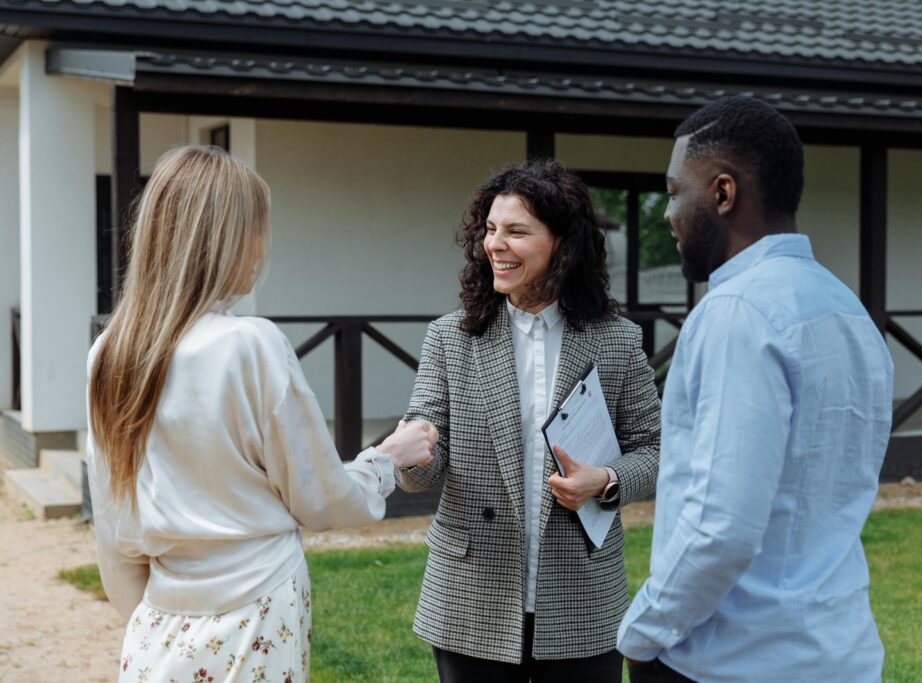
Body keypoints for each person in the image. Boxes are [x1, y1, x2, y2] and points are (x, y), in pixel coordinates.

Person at [86, 145, 436, 683]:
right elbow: (317, 499)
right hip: (257, 611)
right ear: (223, 240)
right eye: (255, 230)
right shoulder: (250, 344)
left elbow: (114, 528)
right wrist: (386, 460)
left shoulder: (110, 352)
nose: (260, 249)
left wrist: (152, 619)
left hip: (157, 620)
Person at [616, 96, 894, 682]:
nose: (667, 213)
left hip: (729, 661)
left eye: (673, 191)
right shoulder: (846, 309)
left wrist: (642, 633)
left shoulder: (736, 313)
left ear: (722, 193)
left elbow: (721, 528)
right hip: (837, 654)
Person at [397, 159, 661, 682]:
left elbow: (656, 448)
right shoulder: (451, 337)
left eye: (516, 231)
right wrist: (414, 451)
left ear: (562, 244)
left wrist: (605, 481)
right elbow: (424, 461)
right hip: (471, 598)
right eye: (490, 230)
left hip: (583, 599)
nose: (496, 244)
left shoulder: (618, 340)